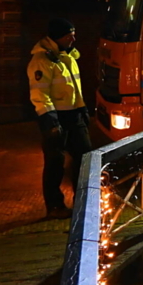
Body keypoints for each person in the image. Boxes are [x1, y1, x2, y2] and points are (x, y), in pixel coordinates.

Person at [28, 18, 91, 220]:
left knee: (85, 158)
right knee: (55, 163)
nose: (73, 38)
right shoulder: (42, 61)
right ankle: (55, 206)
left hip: (73, 115)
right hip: (55, 117)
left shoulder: (67, 57)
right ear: (57, 38)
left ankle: (82, 202)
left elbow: (74, 87)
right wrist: (51, 121)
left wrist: (81, 109)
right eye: (68, 35)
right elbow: (40, 94)